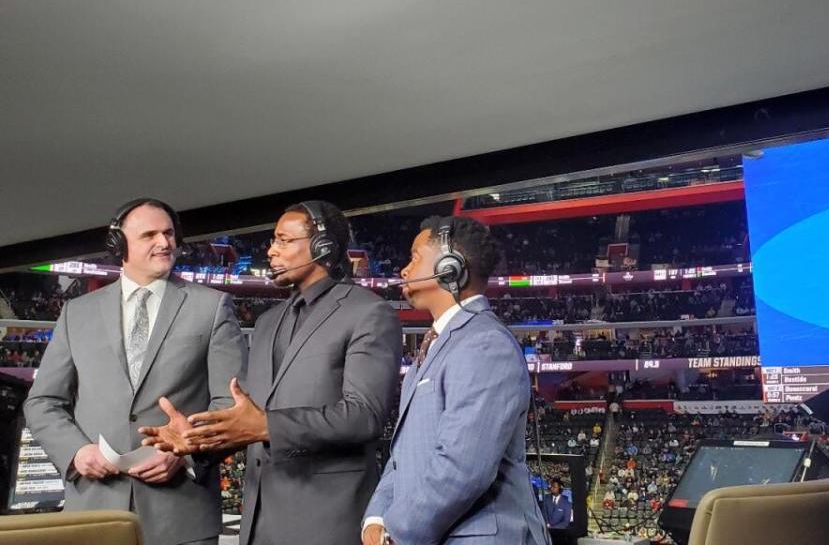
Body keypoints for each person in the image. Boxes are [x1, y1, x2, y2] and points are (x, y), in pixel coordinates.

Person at [141, 200, 401, 545]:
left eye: (283, 240)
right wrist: (196, 440)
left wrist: (268, 426)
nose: (271, 250)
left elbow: (364, 415)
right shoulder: (266, 323)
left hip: (328, 521)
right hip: (260, 522)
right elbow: (245, 416)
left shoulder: (368, 312)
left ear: (323, 247)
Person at [24, 198, 246, 545]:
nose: (165, 243)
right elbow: (43, 401)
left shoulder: (212, 307)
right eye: (150, 235)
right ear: (119, 245)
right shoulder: (76, 313)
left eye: (170, 233)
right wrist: (77, 452)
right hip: (93, 512)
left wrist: (184, 451)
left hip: (181, 517)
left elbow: (231, 405)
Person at [362, 216, 550, 545]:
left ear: (451, 268)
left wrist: (395, 531)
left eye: (415, 257)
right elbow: (402, 455)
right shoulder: (436, 345)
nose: (404, 270)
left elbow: (464, 468)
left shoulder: (484, 344)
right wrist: (376, 517)